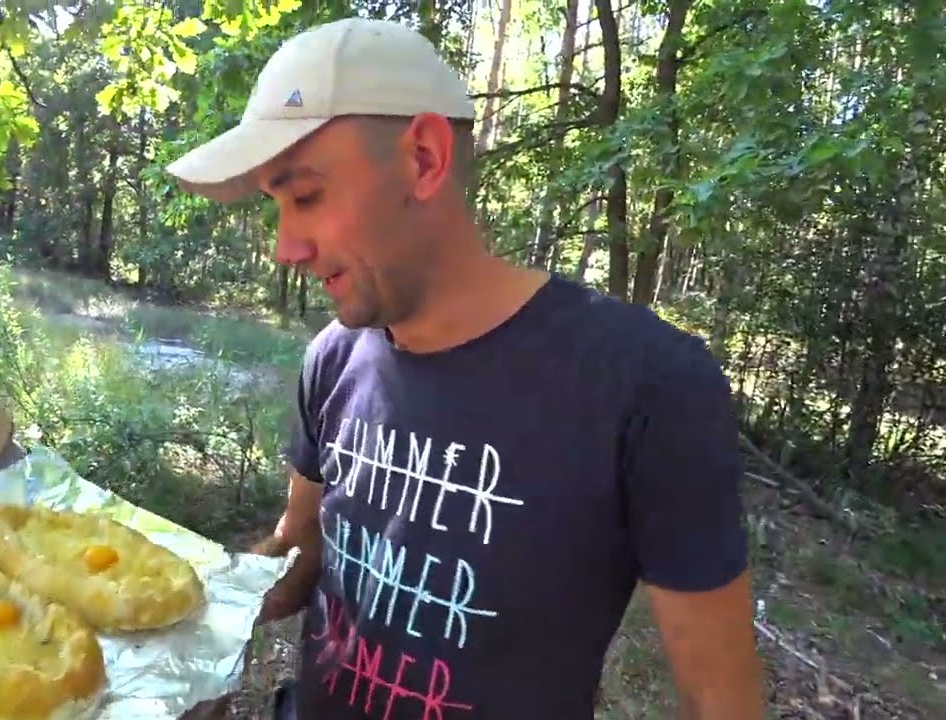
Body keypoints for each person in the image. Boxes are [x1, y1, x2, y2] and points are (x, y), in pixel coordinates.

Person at [165, 16, 765, 720]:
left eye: (305, 196)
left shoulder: (645, 383)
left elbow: (720, 699)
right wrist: (169, 602)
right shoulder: (332, 357)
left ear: (423, 158)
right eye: (276, 207)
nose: (286, 246)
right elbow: (299, 558)